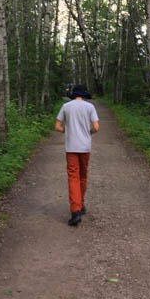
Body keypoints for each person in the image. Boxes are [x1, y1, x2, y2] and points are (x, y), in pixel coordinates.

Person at [54, 83, 99, 226]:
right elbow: (96, 127)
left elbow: (57, 126)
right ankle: (81, 204)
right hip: (85, 147)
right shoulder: (90, 107)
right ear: (84, 95)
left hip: (71, 147)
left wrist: (67, 132)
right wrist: (88, 133)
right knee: (83, 177)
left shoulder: (66, 107)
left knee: (73, 177)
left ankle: (75, 211)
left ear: (73, 95)